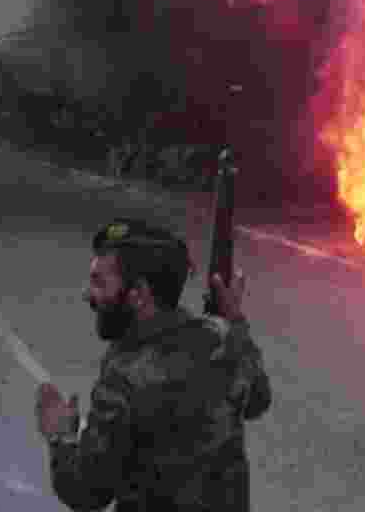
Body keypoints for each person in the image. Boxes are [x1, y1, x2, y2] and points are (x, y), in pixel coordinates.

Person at [35, 219, 272, 511]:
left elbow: (87, 492)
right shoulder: (221, 338)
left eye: (99, 282)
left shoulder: (124, 377)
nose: (87, 294)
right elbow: (258, 400)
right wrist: (234, 320)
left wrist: (61, 436)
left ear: (138, 294)